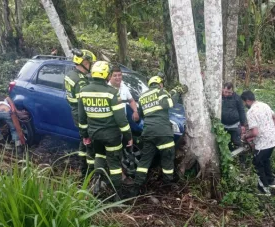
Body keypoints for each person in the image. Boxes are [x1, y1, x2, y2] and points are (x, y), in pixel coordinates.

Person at [78, 61, 133, 196]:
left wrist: (85, 135)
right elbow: (121, 120)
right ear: (107, 76)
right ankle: (117, 195)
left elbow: (82, 118)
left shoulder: (83, 92)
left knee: (99, 156)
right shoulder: (112, 93)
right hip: (111, 136)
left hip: (94, 134)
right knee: (114, 165)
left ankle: (97, 186)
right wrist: (128, 136)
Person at [131, 76, 187, 196]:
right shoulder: (161, 92)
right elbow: (169, 103)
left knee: (145, 160)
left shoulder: (142, 96)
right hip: (163, 132)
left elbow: (140, 115)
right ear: (160, 84)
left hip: (148, 132)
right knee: (167, 157)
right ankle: (167, 185)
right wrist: (177, 92)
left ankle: (136, 186)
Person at [65, 48, 96, 179]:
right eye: (89, 63)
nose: (91, 65)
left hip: (75, 112)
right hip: (82, 115)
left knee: (83, 142)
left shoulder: (71, 74)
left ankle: (83, 170)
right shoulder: (80, 81)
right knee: (90, 145)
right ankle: (89, 173)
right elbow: (84, 103)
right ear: (83, 62)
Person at [241, 90, 275, 196]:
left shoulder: (251, 112)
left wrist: (245, 136)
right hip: (273, 139)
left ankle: (264, 190)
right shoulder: (264, 105)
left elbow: (255, 132)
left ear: (247, 100)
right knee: (265, 160)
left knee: (257, 164)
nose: (244, 105)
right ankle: (271, 182)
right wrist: (269, 129)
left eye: (244, 103)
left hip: (263, 144)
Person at [221, 83, 246, 167]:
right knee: (225, 144)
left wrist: (243, 125)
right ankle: (229, 162)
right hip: (223, 126)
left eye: (229, 92)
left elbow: (241, 111)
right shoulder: (219, 97)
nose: (227, 94)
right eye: (226, 92)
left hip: (235, 125)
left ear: (233, 91)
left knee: (237, 143)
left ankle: (241, 163)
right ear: (222, 89)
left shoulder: (237, 98)